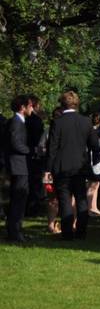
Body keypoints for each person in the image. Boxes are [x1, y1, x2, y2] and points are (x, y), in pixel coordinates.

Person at [45, 91, 98, 241]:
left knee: (64, 199)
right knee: (81, 198)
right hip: (80, 165)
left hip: (62, 166)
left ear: (62, 104)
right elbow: (94, 144)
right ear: (77, 103)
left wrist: (48, 169)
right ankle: (81, 232)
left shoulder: (58, 122)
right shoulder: (86, 121)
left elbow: (52, 148)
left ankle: (67, 232)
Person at [5, 96, 34, 242]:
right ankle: (14, 232)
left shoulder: (18, 122)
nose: (32, 109)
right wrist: (30, 150)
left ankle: (16, 230)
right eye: (30, 106)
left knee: (19, 198)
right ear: (23, 107)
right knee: (19, 198)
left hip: (19, 165)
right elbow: (15, 143)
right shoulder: (16, 122)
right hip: (18, 165)